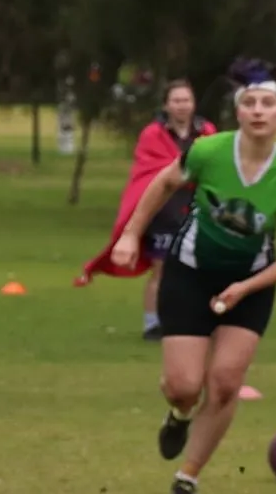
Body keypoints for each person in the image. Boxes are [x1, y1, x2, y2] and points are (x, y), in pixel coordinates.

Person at [112, 62, 276, 494]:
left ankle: (188, 477)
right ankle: (179, 413)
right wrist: (130, 234)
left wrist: (246, 288)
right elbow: (163, 183)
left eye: (268, 104)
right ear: (237, 113)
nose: (258, 111)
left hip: (251, 283)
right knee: (185, 385)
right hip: (190, 274)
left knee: (224, 382)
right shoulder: (207, 151)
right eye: (249, 103)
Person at [77, 79, 216, 339]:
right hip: (164, 211)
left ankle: (193, 320)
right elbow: (150, 172)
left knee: (198, 270)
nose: (182, 106)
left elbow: (215, 167)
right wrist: (182, 173)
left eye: (186, 100)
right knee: (162, 269)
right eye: (176, 101)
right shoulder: (152, 134)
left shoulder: (207, 131)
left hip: (197, 211)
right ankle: (153, 323)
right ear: (166, 105)